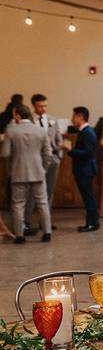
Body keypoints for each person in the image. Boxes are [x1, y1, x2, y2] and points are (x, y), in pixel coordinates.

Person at [1, 103, 51, 243]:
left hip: (18, 172)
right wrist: (43, 169)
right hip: (38, 172)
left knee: (18, 205)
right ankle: (47, 233)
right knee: (42, 203)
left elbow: (5, 153)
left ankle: (19, 235)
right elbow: (48, 154)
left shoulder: (11, 131)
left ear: (17, 115)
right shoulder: (41, 131)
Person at [23, 94, 61, 234]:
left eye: (45, 105)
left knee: (49, 192)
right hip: (35, 161)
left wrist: (58, 153)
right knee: (31, 192)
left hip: (52, 160)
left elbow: (59, 138)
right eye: (40, 106)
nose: (43, 109)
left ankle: (45, 222)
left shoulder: (53, 120)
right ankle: (26, 221)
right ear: (34, 105)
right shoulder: (29, 121)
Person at [66, 106, 99, 232]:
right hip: (83, 169)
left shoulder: (87, 132)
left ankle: (92, 223)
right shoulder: (84, 131)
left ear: (80, 117)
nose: (72, 119)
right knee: (87, 197)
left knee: (88, 197)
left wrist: (70, 150)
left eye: (74, 116)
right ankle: (92, 222)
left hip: (85, 169)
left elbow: (87, 152)